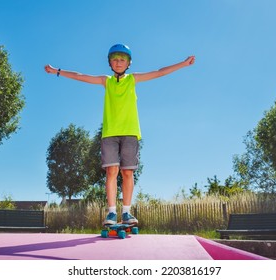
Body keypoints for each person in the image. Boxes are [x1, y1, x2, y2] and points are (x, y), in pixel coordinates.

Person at [45, 44, 195, 225]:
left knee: (127, 173)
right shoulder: (105, 81)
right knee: (111, 171)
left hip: (130, 133)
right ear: (109, 62)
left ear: (128, 63)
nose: (118, 62)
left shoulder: (133, 79)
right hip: (110, 133)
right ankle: (111, 213)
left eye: (122, 59)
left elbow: (159, 72)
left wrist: (183, 64)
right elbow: (80, 76)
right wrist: (57, 71)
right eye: (115, 59)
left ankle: (126, 213)